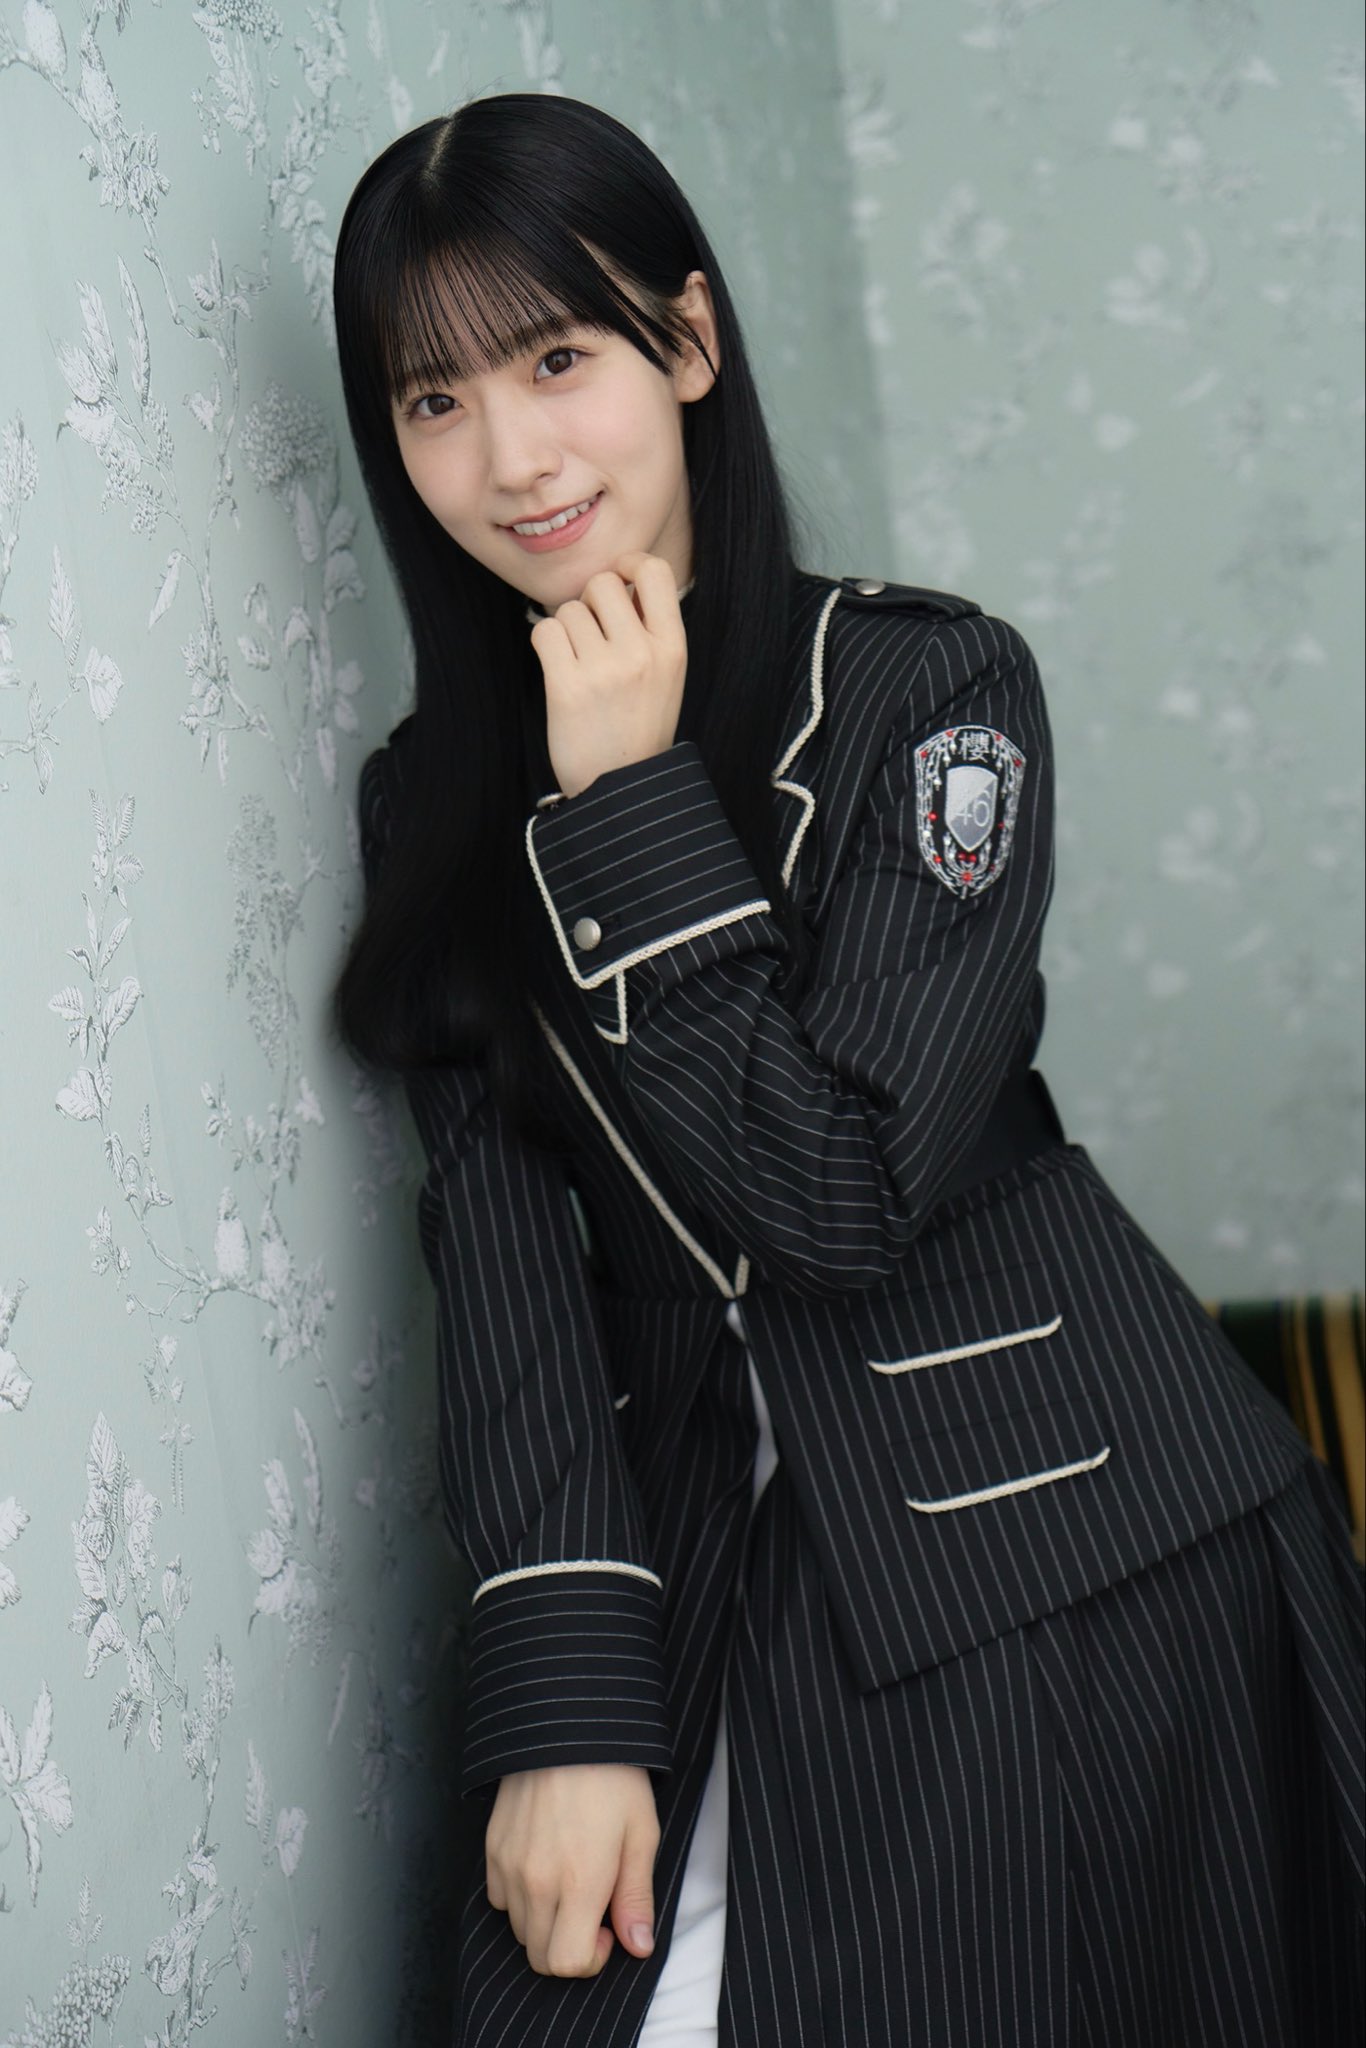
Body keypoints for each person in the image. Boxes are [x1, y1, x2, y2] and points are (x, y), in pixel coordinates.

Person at [329, 91, 1364, 2048]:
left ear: (685, 342)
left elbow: (841, 1196)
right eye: (433, 398)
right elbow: (504, 1252)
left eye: (554, 360)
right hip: (689, 1529)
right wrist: (562, 1700)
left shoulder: (928, 694)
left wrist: (627, 808)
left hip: (1060, 1527)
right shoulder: (426, 798)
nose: (509, 456)